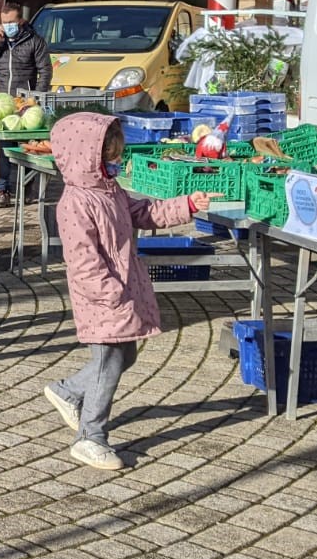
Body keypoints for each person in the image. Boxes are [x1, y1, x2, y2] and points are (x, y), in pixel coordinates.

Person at [41, 113, 212, 470]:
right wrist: (111, 295)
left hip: (120, 289)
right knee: (109, 362)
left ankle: (69, 390)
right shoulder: (74, 204)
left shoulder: (110, 190)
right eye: (110, 157)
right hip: (102, 297)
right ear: (87, 157)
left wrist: (188, 205)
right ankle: (90, 437)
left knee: (125, 357)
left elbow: (144, 213)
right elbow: (83, 261)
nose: (117, 163)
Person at [0, 4, 52, 208]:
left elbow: (45, 71)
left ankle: (26, 188)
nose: (7, 26)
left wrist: (35, 98)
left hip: (24, 103)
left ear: (21, 21)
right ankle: (3, 190)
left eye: (11, 22)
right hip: (1, 102)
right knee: (0, 148)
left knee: (25, 147)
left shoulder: (34, 41)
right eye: (4, 22)